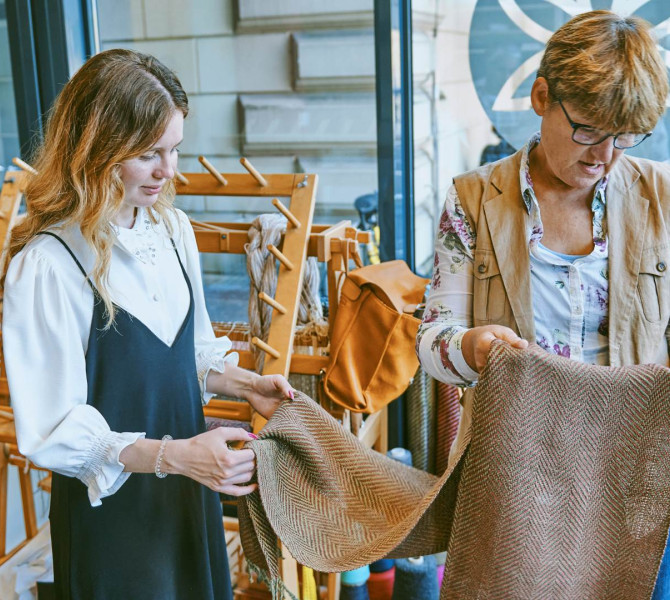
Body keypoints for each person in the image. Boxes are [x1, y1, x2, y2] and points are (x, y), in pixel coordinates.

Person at [2, 49, 293, 600]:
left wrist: (245, 384)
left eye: (175, 149)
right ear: (96, 148)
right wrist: (175, 455)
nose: (169, 171)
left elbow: (188, 350)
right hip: (112, 517)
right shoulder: (47, 266)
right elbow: (53, 428)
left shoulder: (173, 229)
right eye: (148, 154)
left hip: (187, 495)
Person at [416, 10, 670, 597]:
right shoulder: (474, 200)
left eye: (624, 136)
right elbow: (433, 340)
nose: (604, 155)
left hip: (635, 481)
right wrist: (471, 347)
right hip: (519, 482)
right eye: (587, 129)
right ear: (540, 97)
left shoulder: (660, 198)